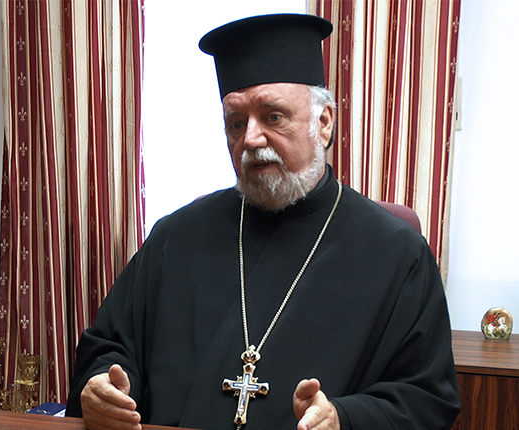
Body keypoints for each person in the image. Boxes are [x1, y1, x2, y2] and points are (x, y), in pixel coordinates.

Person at [65, 13, 461, 430]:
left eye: (272, 117)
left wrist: (343, 419)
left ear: (324, 123)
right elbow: (109, 346)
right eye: (236, 123)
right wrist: (101, 387)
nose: (250, 139)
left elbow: (426, 398)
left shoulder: (397, 254)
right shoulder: (175, 237)